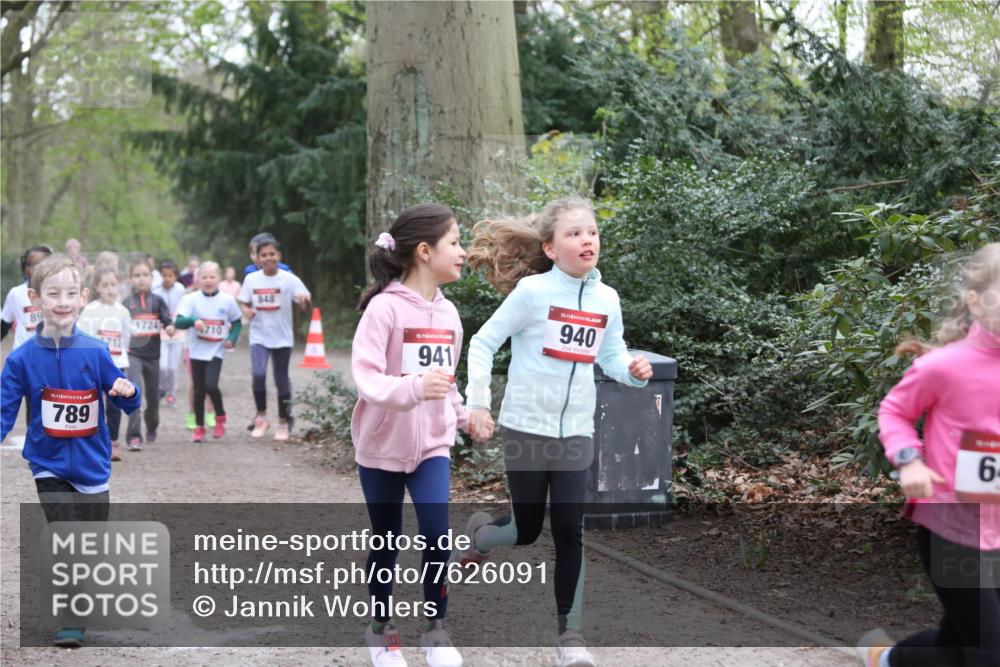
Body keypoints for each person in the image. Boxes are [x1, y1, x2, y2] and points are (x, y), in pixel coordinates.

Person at [453, 196, 653, 667]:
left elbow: (611, 356)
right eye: (574, 233)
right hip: (525, 427)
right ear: (549, 247)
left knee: (569, 530)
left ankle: (571, 638)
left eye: (592, 232)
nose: (587, 240)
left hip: (576, 431)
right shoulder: (533, 294)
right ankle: (482, 536)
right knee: (524, 530)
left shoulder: (607, 299)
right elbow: (482, 343)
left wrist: (632, 369)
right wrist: (477, 402)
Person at [351, 204, 488, 667]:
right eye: (455, 242)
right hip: (381, 447)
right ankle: (380, 628)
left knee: (435, 536)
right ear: (425, 252)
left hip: (432, 446)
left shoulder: (450, 316)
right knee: (387, 539)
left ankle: (436, 629)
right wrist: (412, 387)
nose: (463, 252)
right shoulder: (383, 310)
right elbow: (367, 378)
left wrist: (465, 415)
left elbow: (445, 384)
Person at [858, 242, 1000, 667]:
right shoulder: (944, 367)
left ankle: (886, 658)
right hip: (951, 530)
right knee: (990, 653)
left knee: (956, 645)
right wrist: (909, 459)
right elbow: (895, 412)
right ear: (975, 302)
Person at [0, 253, 140, 648]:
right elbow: (4, 411)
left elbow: (123, 395)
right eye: (52, 293)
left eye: (70, 293)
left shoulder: (95, 351)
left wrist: (128, 392)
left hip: (93, 466)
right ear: (35, 298)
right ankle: (72, 619)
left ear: (82, 297)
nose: (62, 301)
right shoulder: (20, 359)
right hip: (48, 465)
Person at [239, 238, 311, 441]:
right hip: (259, 335)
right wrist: (247, 310)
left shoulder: (289, 279)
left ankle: (282, 422)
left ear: (279, 256)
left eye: (272, 254)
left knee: (281, 380)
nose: (268, 258)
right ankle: (261, 417)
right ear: (258, 259)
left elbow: (305, 304)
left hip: (282, 337)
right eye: (264, 255)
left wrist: (305, 302)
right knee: (259, 375)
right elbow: (244, 302)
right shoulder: (252, 279)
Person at [174, 261, 242, 443]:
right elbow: (178, 322)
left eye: (212, 277)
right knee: (198, 390)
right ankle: (199, 427)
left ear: (219, 279)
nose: (208, 280)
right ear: (198, 280)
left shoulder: (227, 300)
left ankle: (220, 417)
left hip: (216, 350)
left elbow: (236, 322)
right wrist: (193, 321)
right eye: (204, 277)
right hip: (196, 350)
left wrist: (232, 339)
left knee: (211, 386)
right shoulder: (191, 299)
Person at [79, 268, 132, 461]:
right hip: (93, 365)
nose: (110, 289)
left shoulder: (123, 311)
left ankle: (113, 442)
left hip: (116, 364)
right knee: (93, 404)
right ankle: (93, 442)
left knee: (114, 404)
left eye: (113, 284)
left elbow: (126, 337)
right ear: (97, 287)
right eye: (105, 285)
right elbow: (83, 337)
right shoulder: (90, 310)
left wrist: (118, 355)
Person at [122, 259, 174, 450]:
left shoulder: (158, 301)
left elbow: (167, 319)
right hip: (133, 354)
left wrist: (168, 327)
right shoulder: (126, 303)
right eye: (137, 275)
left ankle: (152, 424)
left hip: (153, 355)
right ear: (130, 279)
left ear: (152, 278)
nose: (141, 279)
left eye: (145, 275)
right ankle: (133, 436)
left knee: (153, 397)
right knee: (134, 392)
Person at [2, 245, 53, 350]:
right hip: (22, 357)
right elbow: (4, 326)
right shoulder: (15, 294)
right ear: (24, 268)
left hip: (51, 355)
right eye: (32, 265)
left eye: (42, 265)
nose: (37, 270)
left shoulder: (59, 294)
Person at [153, 259, 186, 408]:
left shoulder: (180, 290)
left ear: (175, 276)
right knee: (163, 366)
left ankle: (171, 393)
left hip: (177, 334)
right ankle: (161, 387)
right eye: (164, 275)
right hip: (160, 334)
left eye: (170, 275)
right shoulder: (155, 290)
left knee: (173, 368)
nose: (167, 279)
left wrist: (174, 324)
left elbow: (183, 309)